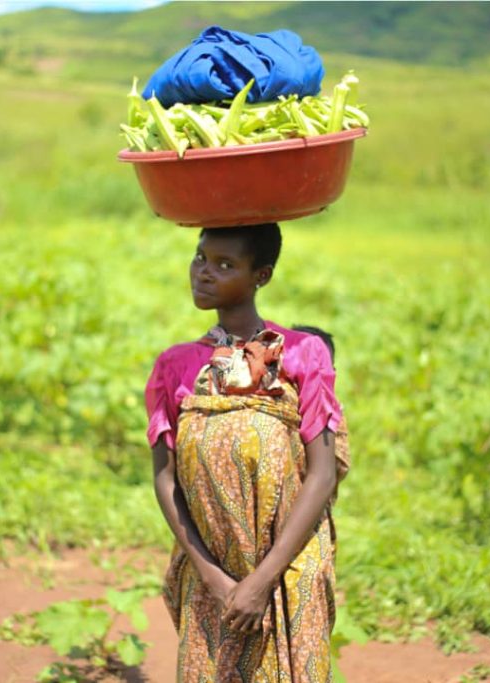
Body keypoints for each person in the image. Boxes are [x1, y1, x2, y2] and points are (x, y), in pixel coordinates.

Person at [144, 223, 350, 682]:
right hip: (211, 566)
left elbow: (321, 474)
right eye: (201, 258)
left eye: (225, 264)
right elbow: (166, 479)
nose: (204, 273)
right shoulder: (174, 366)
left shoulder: (300, 353)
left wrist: (262, 581)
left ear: (262, 275)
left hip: (290, 563)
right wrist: (214, 578)